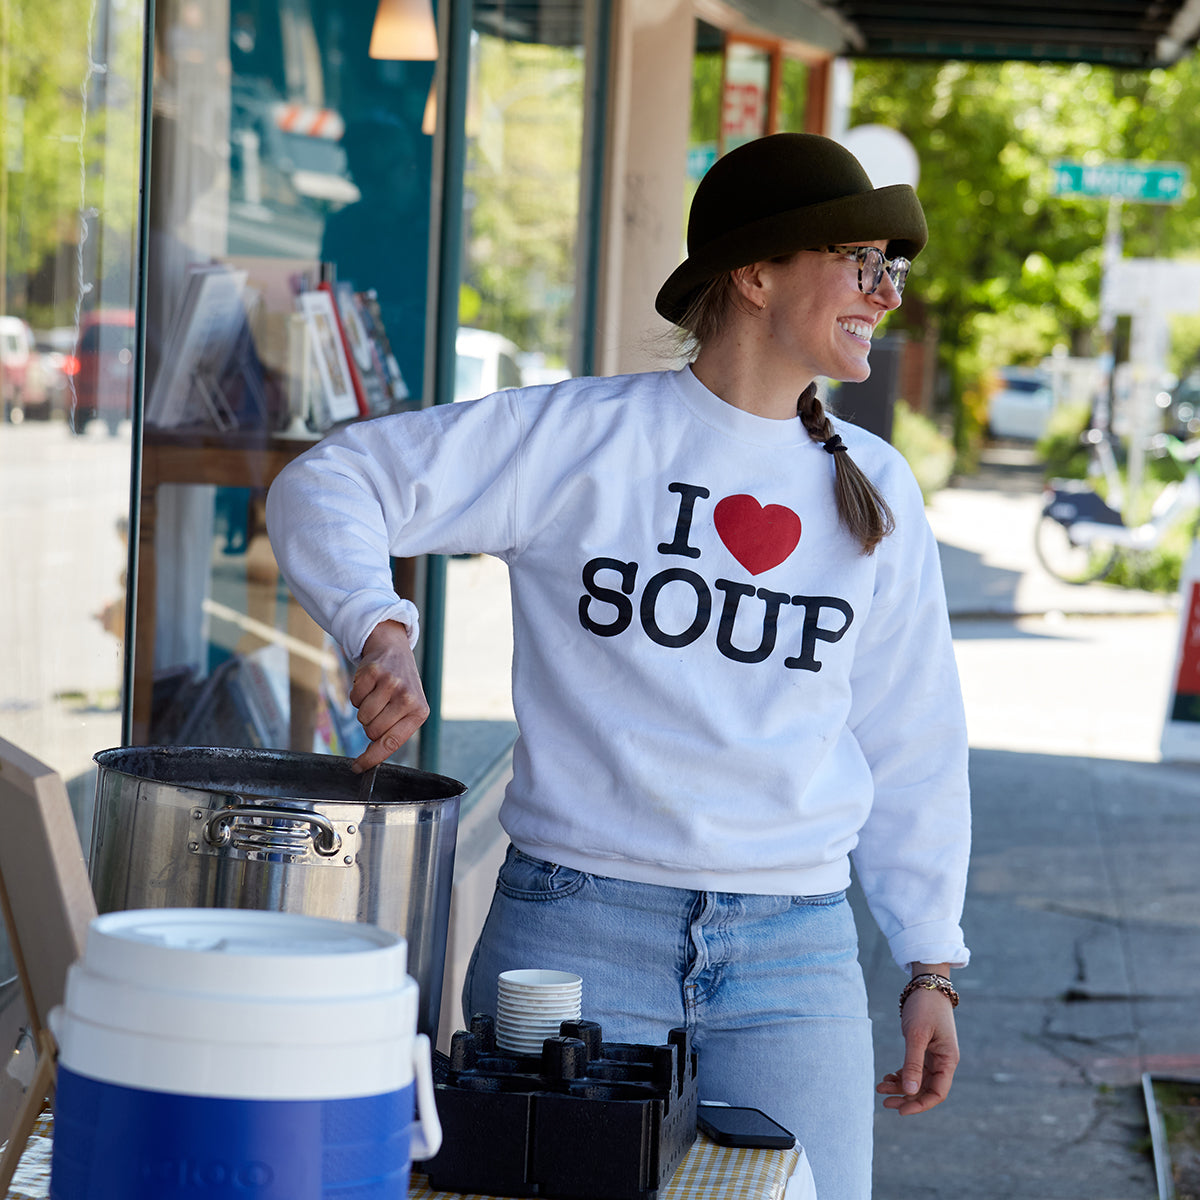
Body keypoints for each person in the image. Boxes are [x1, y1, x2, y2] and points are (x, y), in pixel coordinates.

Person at [265, 131, 970, 1200]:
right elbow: (332, 480)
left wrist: (930, 963)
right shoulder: (582, 439)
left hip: (796, 951)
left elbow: (912, 733)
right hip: (576, 930)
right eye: (859, 261)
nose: (885, 292)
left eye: (891, 268)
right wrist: (380, 625)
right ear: (757, 271)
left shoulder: (875, 486)